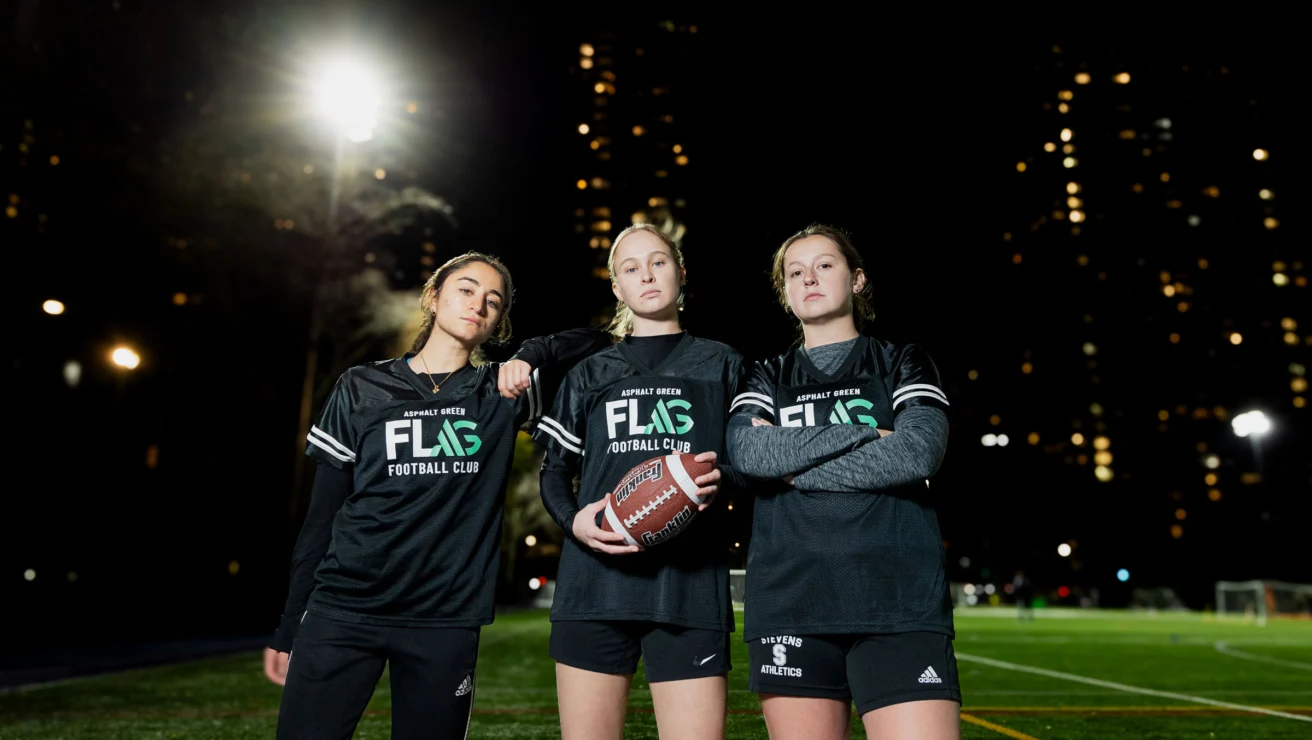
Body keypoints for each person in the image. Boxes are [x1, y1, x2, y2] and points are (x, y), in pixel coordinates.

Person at [263, 251, 606, 740]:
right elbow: (322, 518)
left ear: (499, 321)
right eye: (466, 289)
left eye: (494, 300)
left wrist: (532, 353)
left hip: (444, 619)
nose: (478, 305)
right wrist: (289, 622)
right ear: (433, 297)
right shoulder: (361, 387)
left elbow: (603, 341)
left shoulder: (502, 393)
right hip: (343, 609)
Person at [727, 224, 960, 740]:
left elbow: (918, 452)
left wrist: (789, 463)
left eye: (824, 265)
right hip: (791, 599)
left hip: (899, 600)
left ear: (856, 280)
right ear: (785, 293)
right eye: (795, 272)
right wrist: (869, 434)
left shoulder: (902, 360)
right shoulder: (764, 374)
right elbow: (746, 453)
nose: (808, 277)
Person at [527, 223, 742, 740]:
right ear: (617, 288)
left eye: (659, 262)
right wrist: (573, 520)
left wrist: (715, 483)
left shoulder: (723, 363)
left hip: (689, 587)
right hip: (593, 585)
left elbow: (747, 465)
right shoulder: (590, 371)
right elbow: (554, 469)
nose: (646, 275)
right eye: (630, 268)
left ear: (682, 273)